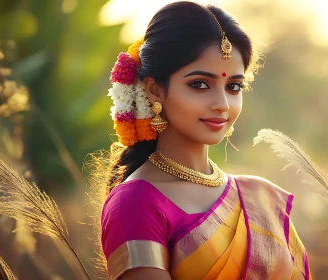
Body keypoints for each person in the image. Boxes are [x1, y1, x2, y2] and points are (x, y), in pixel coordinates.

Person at [99, 1, 312, 279]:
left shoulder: (260, 198)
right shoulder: (136, 203)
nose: (222, 104)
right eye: (199, 84)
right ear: (155, 90)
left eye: (234, 86)